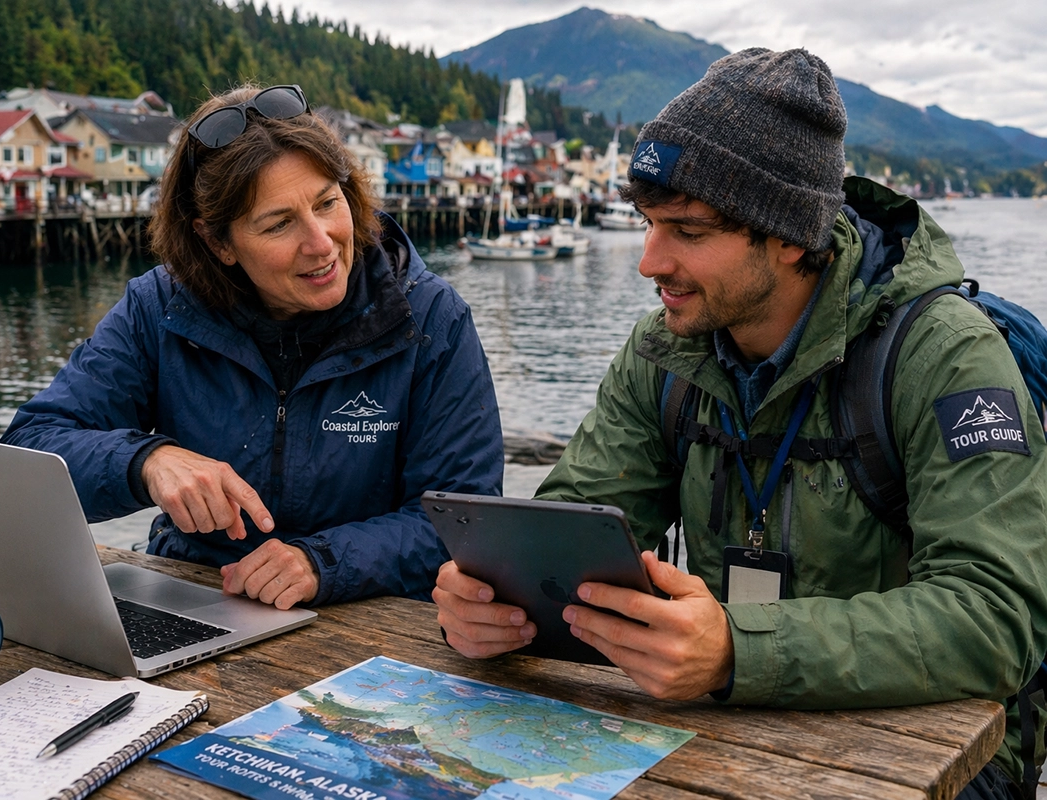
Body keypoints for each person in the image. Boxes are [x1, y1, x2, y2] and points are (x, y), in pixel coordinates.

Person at [434, 49, 1047, 799]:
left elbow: (995, 617)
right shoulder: (664, 352)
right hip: (729, 732)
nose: (648, 262)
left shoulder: (943, 358)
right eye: (648, 224)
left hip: (943, 757)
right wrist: (493, 601)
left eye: (687, 232)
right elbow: (574, 526)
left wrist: (736, 651)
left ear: (790, 236)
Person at [2, 83, 503, 611]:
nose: (321, 241)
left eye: (327, 202)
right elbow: (29, 452)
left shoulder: (429, 318)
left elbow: (465, 518)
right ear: (217, 243)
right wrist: (146, 461)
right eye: (279, 224)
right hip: (194, 597)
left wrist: (321, 561)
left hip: (369, 620)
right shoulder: (160, 308)